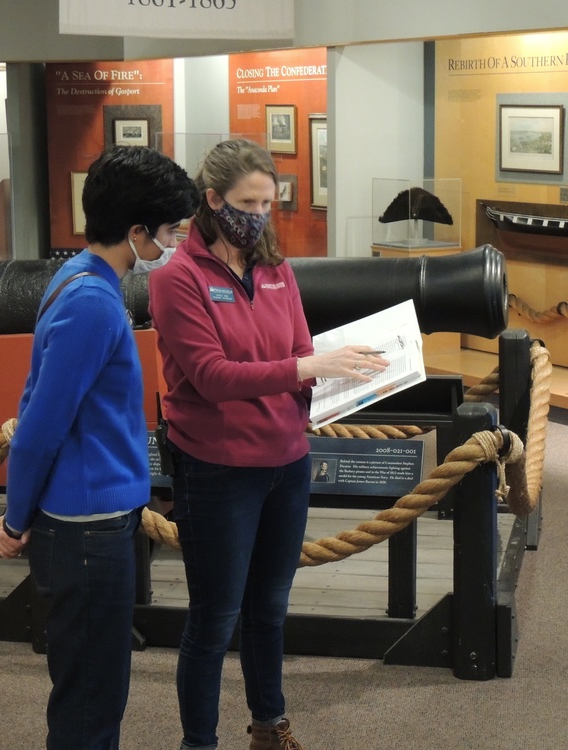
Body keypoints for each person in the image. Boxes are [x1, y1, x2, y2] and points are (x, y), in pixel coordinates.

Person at [148, 139, 388, 750]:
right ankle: (198, 743)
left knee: (269, 612)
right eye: (246, 202)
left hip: (286, 461)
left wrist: (342, 379)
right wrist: (309, 369)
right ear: (212, 201)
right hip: (219, 469)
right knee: (214, 619)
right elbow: (212, 377)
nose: (258, 214)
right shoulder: (178, 278)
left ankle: (268, 726)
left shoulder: (278, 269)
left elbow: (303, 351)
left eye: (267, 202)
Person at [0, 144, 200, 750]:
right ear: (135, 231)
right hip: (86, 529)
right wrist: (16, 518)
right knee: (91, 701)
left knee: (93, 690)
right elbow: (40, 426)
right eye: (165, 234)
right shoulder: (93, 304)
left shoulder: (77, 278)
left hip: (89, 521)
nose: (170, 247)